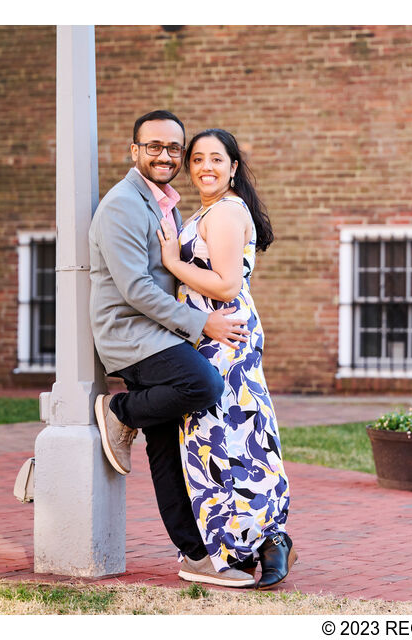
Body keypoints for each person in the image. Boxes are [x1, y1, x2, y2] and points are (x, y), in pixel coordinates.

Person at [89, 110, 256, 588]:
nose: (165, 155)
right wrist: (202, 323)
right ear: (134, 150)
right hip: (131, 334)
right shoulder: (123, 204)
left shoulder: (165, 204)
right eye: (154, 146)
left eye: (173, 148)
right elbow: (136, 288)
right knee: (201, 382)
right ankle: (121, 410)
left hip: (160, 333)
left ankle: (195, 556)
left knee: (166, 448)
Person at [156, 128, 296, 589]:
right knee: (225, 438)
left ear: (233, 167)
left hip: (226, 335)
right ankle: (256, 541)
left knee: (231, 436)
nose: (205, 167)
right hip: (210, 335)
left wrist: (174, 262)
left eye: (216, 159)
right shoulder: (210, 211)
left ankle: (267, 536)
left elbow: (227, 285)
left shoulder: (228, 211)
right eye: (197, 159)